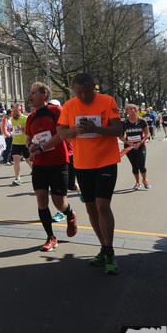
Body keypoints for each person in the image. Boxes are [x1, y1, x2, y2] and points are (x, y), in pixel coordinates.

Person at [57, 73, 124, 274]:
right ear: (73, 90)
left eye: (87, 91)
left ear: (94, 87)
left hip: (106, 162)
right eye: (79, 92)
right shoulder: (69, 105)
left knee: (103, 205)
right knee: (91, 208)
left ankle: (109, 252)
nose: (84, 96)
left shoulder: (107, 101)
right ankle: (104, 247)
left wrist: (96, 128)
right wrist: (75, 130)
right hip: (83, 164)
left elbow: (118, 130)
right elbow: (62, 133)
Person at [25, 82, 77, 251]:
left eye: (33, 93)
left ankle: (70, 213)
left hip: (58, 163)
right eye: (30, 93)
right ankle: (51, 237)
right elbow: (28, 139)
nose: (30, 96)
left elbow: (61, 135)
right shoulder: (31, 117)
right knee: (41, 199)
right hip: (40, 165)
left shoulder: (56, 111)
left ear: (44, 95)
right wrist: (31, 146)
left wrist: (40, 148)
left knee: (59, 203)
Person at [121, 104, 151, 190]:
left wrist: (140, 142)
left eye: (131, 108)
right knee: (134, 166)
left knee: (141, 165)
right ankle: (137, 182)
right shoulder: (124, 123)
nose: (129, 110)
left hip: (140, 145)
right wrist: (129, 143)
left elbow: (147, 134)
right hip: (129, 147)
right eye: (127, 109)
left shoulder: (142, 121)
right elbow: (121, 136)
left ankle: (145, 180)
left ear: (136, 110)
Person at [8, 104, 29, 185]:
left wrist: (22, 129)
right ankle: (18, 178)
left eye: (16, 111)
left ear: (20, 110)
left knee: (28, 160)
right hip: (16, 142)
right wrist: (11, 130)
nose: (14, 113)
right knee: (16, 159)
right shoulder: (11, 120)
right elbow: (11, 129)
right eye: (13, 111)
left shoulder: (26, 118)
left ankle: (35, 172)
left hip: (25, 142)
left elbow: (30, 130)